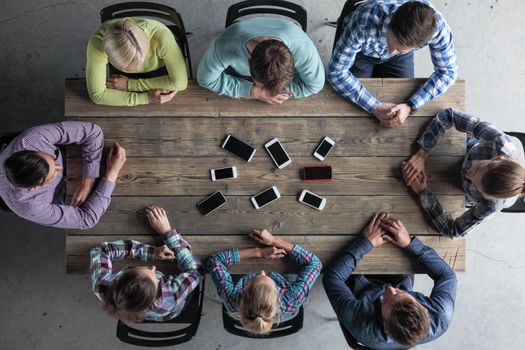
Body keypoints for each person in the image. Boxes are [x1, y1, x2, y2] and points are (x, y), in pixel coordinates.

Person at [323, 213, 457, 349]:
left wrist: (365, 242)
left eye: (386, 300)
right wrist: (410, 244)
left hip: (361, 288)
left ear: (385, 326)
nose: (390, 289)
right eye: (400, 293)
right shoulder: (441, 315)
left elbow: (331, 278)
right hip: (400, 279)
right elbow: (447, 276)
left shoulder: (361, 324)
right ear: (424, 309)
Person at [328, 0, 458, 127]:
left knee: (398, 97)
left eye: (399, 48)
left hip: (400, 58)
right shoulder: (363, 22)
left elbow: (448, 73)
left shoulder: (438, 29)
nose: (391, 51)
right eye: (390, 42)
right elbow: (336, 73)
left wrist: (410, 105)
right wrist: (375, 106)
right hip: (362, 52)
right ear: (391, 18)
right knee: (351, 107)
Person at [402, 108, 525, 237]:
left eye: (478, 185)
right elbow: (449, 115)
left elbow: (454, 231)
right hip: (465, 150)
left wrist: (423, 192)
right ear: (498, 158)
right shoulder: (500, 142)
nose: (471, 175)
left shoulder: (492, 205)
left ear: (488, 196)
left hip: (460, 191)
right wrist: (422, 153)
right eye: (481, 167)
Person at [0, 122, 126, 229]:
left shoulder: (33, 139)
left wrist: (88, 181)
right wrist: (111, 173)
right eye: (53, 173)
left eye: (52, 161)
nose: (58, 168)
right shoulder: (30, 206)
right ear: (34, 188)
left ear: (34, 151)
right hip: (55, 196)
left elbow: (93, 132)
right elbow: (86, 219)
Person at [91, 205, 202, 322]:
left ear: (122, 276)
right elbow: (197, 270)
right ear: (156, 292)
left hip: (142, 314)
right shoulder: (169, 296)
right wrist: (167, 233)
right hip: (170, 310)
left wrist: (152, 253)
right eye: (154, 276)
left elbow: (101, 251)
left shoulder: (103, 285)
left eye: (139, 268)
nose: (153, 267)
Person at [207, 228, 322, 335]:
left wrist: (259, 252)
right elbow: (315, 264)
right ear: (278, 295)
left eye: (254, 278)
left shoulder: (232, 300)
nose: (262, 271)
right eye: (268, 279)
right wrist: (274, 240)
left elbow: (215, 261)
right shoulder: (293, 298)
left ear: (244, 290)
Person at [197, 17, 325, 105]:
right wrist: (254, 92)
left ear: (294, 61)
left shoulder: (303, 47)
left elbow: (316, 85)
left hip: (290, 30)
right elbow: (205, 79)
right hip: (237, 31)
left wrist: (280, 92)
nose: (268, 93)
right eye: (262, 86)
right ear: (248, 63)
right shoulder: (225, 45)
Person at [86, 17, 188, 106]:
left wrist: (130, 84)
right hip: (121, 77)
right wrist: (146, 98)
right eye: (127, 65)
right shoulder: (97, 43)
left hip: (160, 70)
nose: (138, 68)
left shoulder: (162, 37)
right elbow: (97, 95)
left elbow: (180, 83)